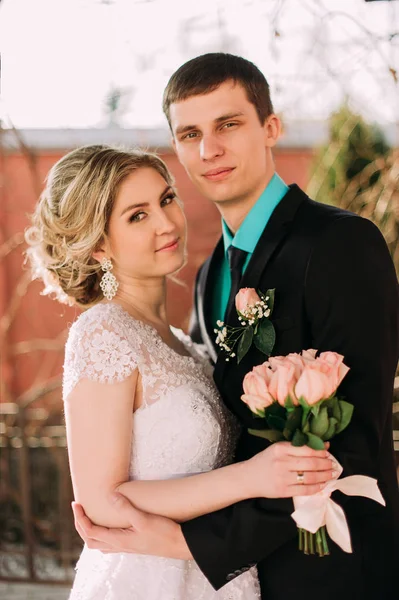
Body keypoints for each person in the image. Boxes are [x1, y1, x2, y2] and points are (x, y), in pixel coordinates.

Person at [72, 54, 399, 600]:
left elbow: (353, 443)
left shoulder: (341, 244)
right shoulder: (208, 277)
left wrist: (193, 544)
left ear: (271, 127)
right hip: (246, 578)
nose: (209, 150)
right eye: (190, 133)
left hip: (335, 570)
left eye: (228, 124)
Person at [25, 144, 334, 600]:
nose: (166, 223)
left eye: (166, 199)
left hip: (212, 573)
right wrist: (253, 477)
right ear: (98, 246)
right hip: (147, 580)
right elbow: (100, 501)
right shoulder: (102, 333)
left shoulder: (187, 342)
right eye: (137, 215)